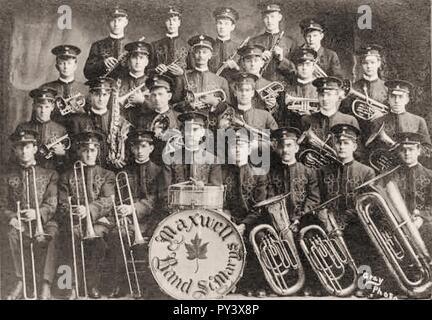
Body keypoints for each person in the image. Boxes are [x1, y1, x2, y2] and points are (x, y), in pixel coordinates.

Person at [317, 123, 379, 297]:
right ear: (334, 145)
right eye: (338, 142)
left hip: (355, 223)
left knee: (363, 239)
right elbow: (320, 200)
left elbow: (367, 204)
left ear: (354, 146)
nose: (342, 146)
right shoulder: (323, 171)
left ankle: (364, 285)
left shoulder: (366, 172)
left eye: (346, 143)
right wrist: (324, 216)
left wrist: (344, 220)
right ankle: (330, 284)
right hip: (329, 223)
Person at [0, 129, 58, 300]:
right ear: (15, 150)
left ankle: (46, 284)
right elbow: (1, 204)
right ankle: (20, 281)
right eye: (19, 147)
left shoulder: (49, 174)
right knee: (11, 234)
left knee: (53, 234)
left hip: (44, 222)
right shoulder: (6, 177)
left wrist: (37, 214)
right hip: (20, 222)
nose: (24, 151)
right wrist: (11, 217)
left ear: (34, 148)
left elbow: (52, 203)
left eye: (27, 146)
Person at [57, 130, 115, 299]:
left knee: (97, 239)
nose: (89, 154)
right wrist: (75, 212)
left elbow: (107, 200)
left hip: (99, 221)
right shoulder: (66, 176)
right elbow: (62, 204)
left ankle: (91, 285)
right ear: (78, 152)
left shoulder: (107, 175)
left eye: (93, 150)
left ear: (98, 151)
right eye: (85, 150)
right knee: (69, 237)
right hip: (74, 220)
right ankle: (68, 286)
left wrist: (88, 210)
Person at [108, 129, 165, 298]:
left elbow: (156, 199)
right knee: (117, 234)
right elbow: (117, 196)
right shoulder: (124, 171)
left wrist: (134, 208)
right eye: (136, 147)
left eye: (144, 146)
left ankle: (151, 286)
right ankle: (122, 283)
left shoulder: (159, 171)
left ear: (151, 148)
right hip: (129, 221)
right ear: (131, 149)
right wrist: (121, 209)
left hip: (152, 220)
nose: (139, 151)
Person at [221, 127, 268, 297]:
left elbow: (259, 206)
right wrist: (230, 221)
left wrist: (243, 224)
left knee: (260, 238)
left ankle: (259, 284)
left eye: (242, 146)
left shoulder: (259, 172)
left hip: (253, 221)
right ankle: (233, 283)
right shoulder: (223, 172)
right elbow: (221, 202)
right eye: (234, 146)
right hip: (229, 221)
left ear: (249, 149)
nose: (238, 150)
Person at [380, 132, 432, 254]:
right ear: (399, 152)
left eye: (411, 149)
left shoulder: (430, 175)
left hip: (423, 223)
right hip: (396, 224)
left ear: (419, 151)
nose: (407, 153)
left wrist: (421, 217)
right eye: (403, 150)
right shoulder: (390, 175)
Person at [69, 77, 131, 169]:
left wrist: (122, 160)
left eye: (105, 94)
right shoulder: (78, 121)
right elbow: (73, 150)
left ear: (110, 95)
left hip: (113, 171)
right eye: (97, 95)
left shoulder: (120, 120)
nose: (101, 99)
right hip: (86, 170)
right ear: (90, 95)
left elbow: (127, 148)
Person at [162, 111, 222, 189]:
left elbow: (217, 190)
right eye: (187, 130)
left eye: (195, 130)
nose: (191, 134)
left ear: (202, 132)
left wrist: (204, 187)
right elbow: (165, 190)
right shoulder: (170, 158)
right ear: (182, 132)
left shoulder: (213, 160)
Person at [16, 88, 69, 171]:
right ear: (34, 107)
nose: (43, 111)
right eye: (39, 107)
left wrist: (62, 154)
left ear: (52, 107)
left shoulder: (61, 130)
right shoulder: (23, 128)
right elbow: (14, 155)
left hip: (53, 173)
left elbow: (66, 163)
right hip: (27, 171)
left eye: (47, 107)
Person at [249, 2, 297, 81]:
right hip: (259, 85)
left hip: (283, 86)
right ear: (262, 19)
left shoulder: (290, 42)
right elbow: (246, 68)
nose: (269, 21)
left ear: (279, 17)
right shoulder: (253, 42)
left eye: (272, 17)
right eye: (266, 17)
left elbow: (295, 71)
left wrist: (282, 59)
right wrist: (259, 59)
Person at [40, 45, 87, 126]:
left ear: (75, 66)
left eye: (69, 63)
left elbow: (91, 120)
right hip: (54, 135)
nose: (66, 67)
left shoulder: (85, 89)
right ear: (57, 66)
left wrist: (81, 112)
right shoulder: (46, 88)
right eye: (62, 63)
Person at [84, 6, 130, 80]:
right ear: (107, 22)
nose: (116, 24)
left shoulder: (131, 46)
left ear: (126, 22)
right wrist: (103, 64)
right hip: (104, 89)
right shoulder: (97, 45)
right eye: (113, 20)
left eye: (119, 20)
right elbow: (87, 73)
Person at [281, 47, 320, 128]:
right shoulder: (287, 88)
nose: (304, 68)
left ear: (313, 67)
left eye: (308, 64)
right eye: (301, 64)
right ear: (296, 67)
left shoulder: (320, 89)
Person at [117, 40, 153, 123]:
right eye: (134, 57)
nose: (137, 62)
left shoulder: (152, 83)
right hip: (122, 126)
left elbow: (159, 108)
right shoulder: (119, 82)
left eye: (141, 58)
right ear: (129, 61)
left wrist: (143, 101)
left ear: (146, 62)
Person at [151, 6, 189, 76]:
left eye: (174, 20)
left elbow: (194, 70)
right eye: (168, 20)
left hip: (180, 84)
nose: (171, 23)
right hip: (161, 83)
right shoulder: (155, 45)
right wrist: (156, 69)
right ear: (165, 22)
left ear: (179, 23)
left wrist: (183, 72)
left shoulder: (187, 46)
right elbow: (147, 70)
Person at [208, 7, 241, 79]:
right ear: (215, 25)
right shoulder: (208, 47)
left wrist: (236, 67)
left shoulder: (240, 49)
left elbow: (246, 75)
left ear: (232, 27)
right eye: (220, 23)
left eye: (226, 24)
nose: (222, 27)